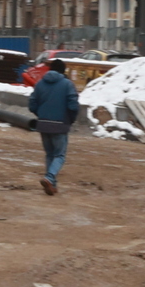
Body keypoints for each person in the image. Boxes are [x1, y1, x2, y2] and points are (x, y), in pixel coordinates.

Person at [30, 63, 83, 195]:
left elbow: (32, 104)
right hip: (60, 124)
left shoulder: (40, 84)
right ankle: (49, 177)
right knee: (59, 155)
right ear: (63, 71)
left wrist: (41, 115)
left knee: (50, 154)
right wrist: (70, 119)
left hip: (43, 124)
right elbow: (73, 105)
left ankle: (51, 184)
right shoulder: (67, 84)